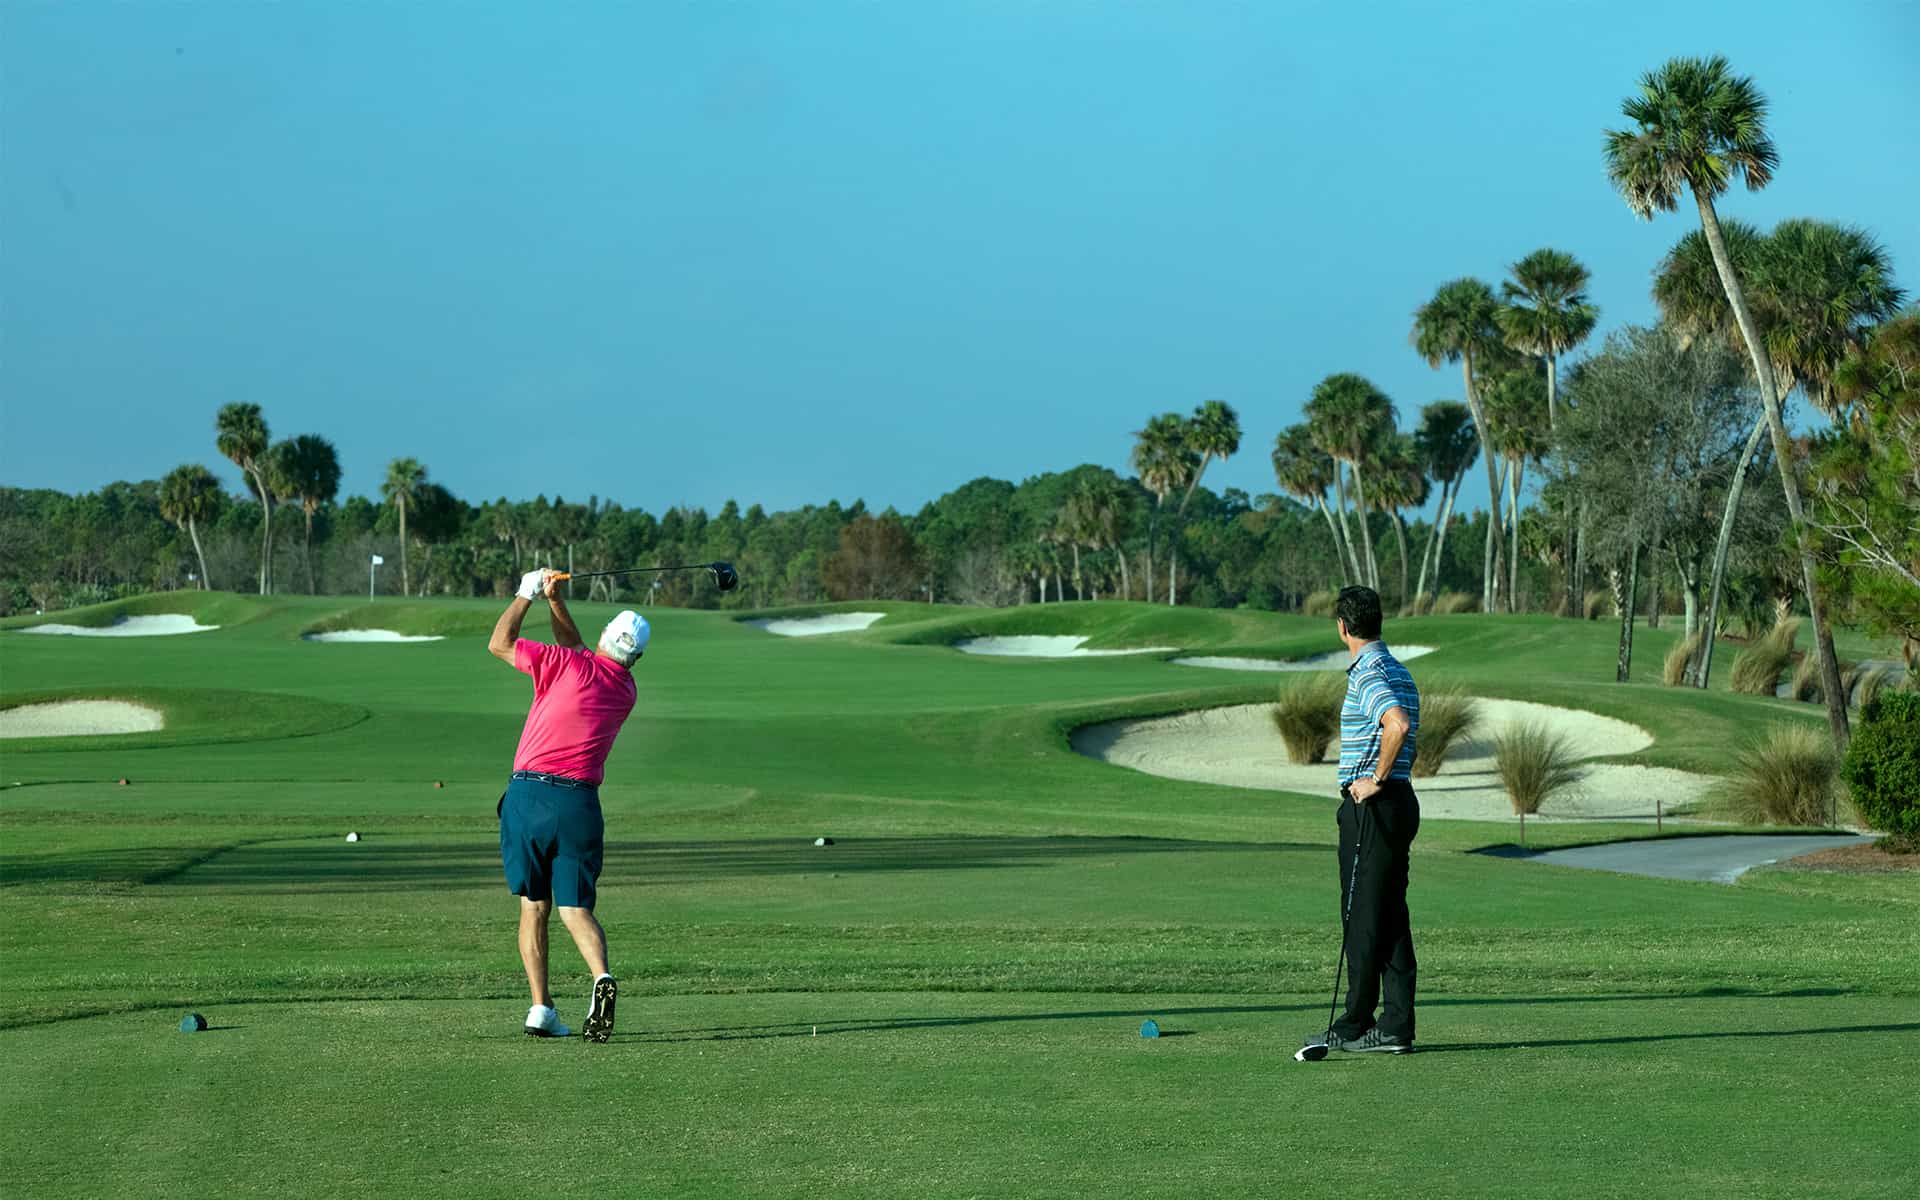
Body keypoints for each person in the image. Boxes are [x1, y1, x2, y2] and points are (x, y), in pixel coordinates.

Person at [488, 568, 647, 1042]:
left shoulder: (565, 664)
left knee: (533, 906)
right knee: (575, 909)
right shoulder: (624, 690)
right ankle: (601, 976)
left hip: (529, 796)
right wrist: (555, 600)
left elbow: (499, 643)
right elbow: (577, 650)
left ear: (604, 637)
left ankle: (541, 1008)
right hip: (579, 805)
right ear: (635, 657)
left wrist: (527, 594)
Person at [1318, 584, 1422, 1054]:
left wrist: (1374, 779)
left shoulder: (1368, 673)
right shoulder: (1399, 669)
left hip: (1373, 808)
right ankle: (1395, 1024)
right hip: (1400, 803)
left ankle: (1355, 1023)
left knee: (1362, 915)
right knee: (1390, 913)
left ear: (1343, 627)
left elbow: (1396, 723)